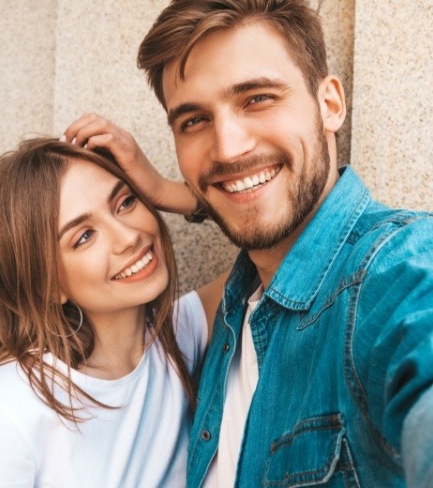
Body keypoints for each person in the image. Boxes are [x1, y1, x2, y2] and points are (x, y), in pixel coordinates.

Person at [62, 0, 433, 486]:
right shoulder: (231, 311)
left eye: (257, 98)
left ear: (330, 104)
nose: (228, 148)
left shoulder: (398, 267)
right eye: (194, 121)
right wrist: (178, 193)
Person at [0, 138, 225, 487]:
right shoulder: (8, 407)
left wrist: (169, 191)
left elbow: (277, 244)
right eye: (84, 236)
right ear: (46, 285)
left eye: (125, 201)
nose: (128, 236)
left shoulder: (176, 335)